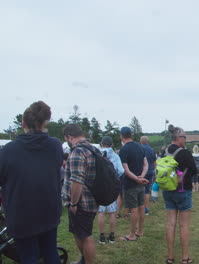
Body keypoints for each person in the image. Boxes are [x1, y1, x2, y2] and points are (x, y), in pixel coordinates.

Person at [0, 101, 63, 263]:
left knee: (29, 257)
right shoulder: (55, 146)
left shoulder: (7, 152)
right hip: (49, 212)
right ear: (45, 123)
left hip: (21, 216)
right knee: (50, 253)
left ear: (23, 123)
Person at [62, 123, 99, 264]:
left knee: (85, 235)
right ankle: (83, 260)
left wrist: (74, 203)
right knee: (80, 233)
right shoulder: (92, 148)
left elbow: (77, 181)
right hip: (91, 199)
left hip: (82, 202)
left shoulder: (78, 151)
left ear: (69, 137)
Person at [163, 125, 197, 264]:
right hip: (183, 191)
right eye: (184, 137)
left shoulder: (164, 151)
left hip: (167, 191)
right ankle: (185, 258)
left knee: (170, 224)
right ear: (178, 138)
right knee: (184, 226)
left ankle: (170, 257)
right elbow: (194, 171)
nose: (186, 139)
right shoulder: (184, 152)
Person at [118, 127, 149, 241]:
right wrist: (142, 176)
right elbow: (146, 164)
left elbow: (125, 170)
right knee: (141, 207)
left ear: (122, 136)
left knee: (134, 209)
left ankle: (131, 235)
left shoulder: (124, 150)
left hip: (131, 184)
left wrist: (137, 179)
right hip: (141, 182)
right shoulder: (140, 146)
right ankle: (140, 231)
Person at [97, 136, 124, 244]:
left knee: (101, 212)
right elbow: (121, 171)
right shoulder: (115, 156)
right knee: (112, 212)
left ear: (101, 144)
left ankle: (102, 236)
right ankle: (112, 236)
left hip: (99, 187)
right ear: (111, 145)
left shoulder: (96, 154)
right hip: (111, 187)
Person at [140, 136, 156, 215]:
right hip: (150, 171)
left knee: (139, 189)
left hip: (142, 172)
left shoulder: (139, 149)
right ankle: (146, 209)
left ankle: (140, 208)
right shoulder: (152, 150)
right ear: (148, 142)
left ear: (141, 142)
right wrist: (154, 170)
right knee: (147, 190)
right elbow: (154, 161)